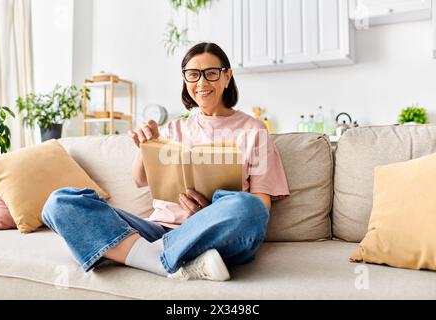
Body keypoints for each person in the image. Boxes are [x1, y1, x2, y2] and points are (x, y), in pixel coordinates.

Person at [42, 42, 290, 281]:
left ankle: (142, 254)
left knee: (250, 209)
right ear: (185, 80)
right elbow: (139, 179)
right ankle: (165, 261)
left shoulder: (254, 130)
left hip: (214, 231)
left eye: (211, 73)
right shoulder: (173, 129)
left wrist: (208, 214)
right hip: (158, 229)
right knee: (59, 203)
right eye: (193, 74)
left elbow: (262, 204)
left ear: (227, 77)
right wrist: (146, 146)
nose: (202, 82)